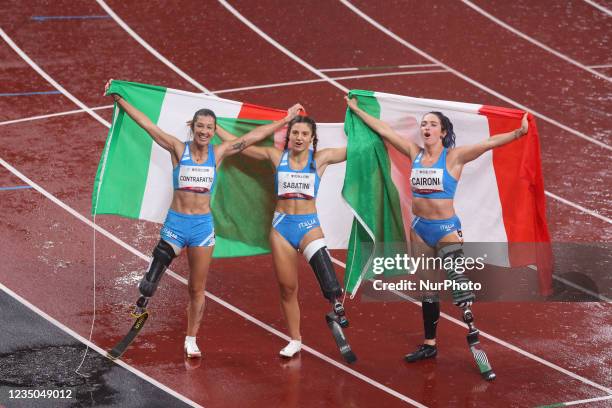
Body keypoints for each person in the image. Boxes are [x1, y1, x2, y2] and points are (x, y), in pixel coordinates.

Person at [104, 79, 301, 358]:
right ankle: (144, 300)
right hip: (176, 224)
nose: (205, 132)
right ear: (193, 128)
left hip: (202, 229)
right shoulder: (177, 148)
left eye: (209, 128)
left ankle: (191, 338)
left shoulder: (218, 153)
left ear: (213, 131)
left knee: (197, 288)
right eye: (200, 127)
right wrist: (120, 100)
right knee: (154, 272)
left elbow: (254, 137)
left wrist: (287, 118)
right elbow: (148, 126)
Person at [346, 96, 528, 375]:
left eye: (432, 124)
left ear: (443, 132)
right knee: (428, 291)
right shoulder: (413, 152)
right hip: (419, 229)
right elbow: (384, 131)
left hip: (446, 230)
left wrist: (518, 133)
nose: (426, 128)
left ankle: (470, 323)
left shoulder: (454, 157)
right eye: (424, 124)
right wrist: (357, 110)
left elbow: (488, 143)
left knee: (459, 285)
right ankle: (430, 343)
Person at [216, 114, 349, 358]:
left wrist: (366, 124)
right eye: (295, 133)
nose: (299, 138)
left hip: (308, 225)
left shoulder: (321, 158)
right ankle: (295, 340)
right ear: (289, 137)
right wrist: (215, 128)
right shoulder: (277, 157)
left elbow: (358, 151)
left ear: (312, 139)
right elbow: (239, 145)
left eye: (304, 134)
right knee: (288, 288)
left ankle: (336, 306)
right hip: (281, 228)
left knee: (328, 276)